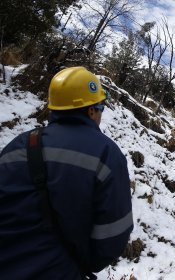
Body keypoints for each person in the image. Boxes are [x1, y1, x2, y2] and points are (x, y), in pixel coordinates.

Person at [0, 66, 133, 279]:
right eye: (101, 108)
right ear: (91, 110)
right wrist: (83, 263)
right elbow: (113, 234)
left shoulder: (18, 145)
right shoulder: (106, 154)